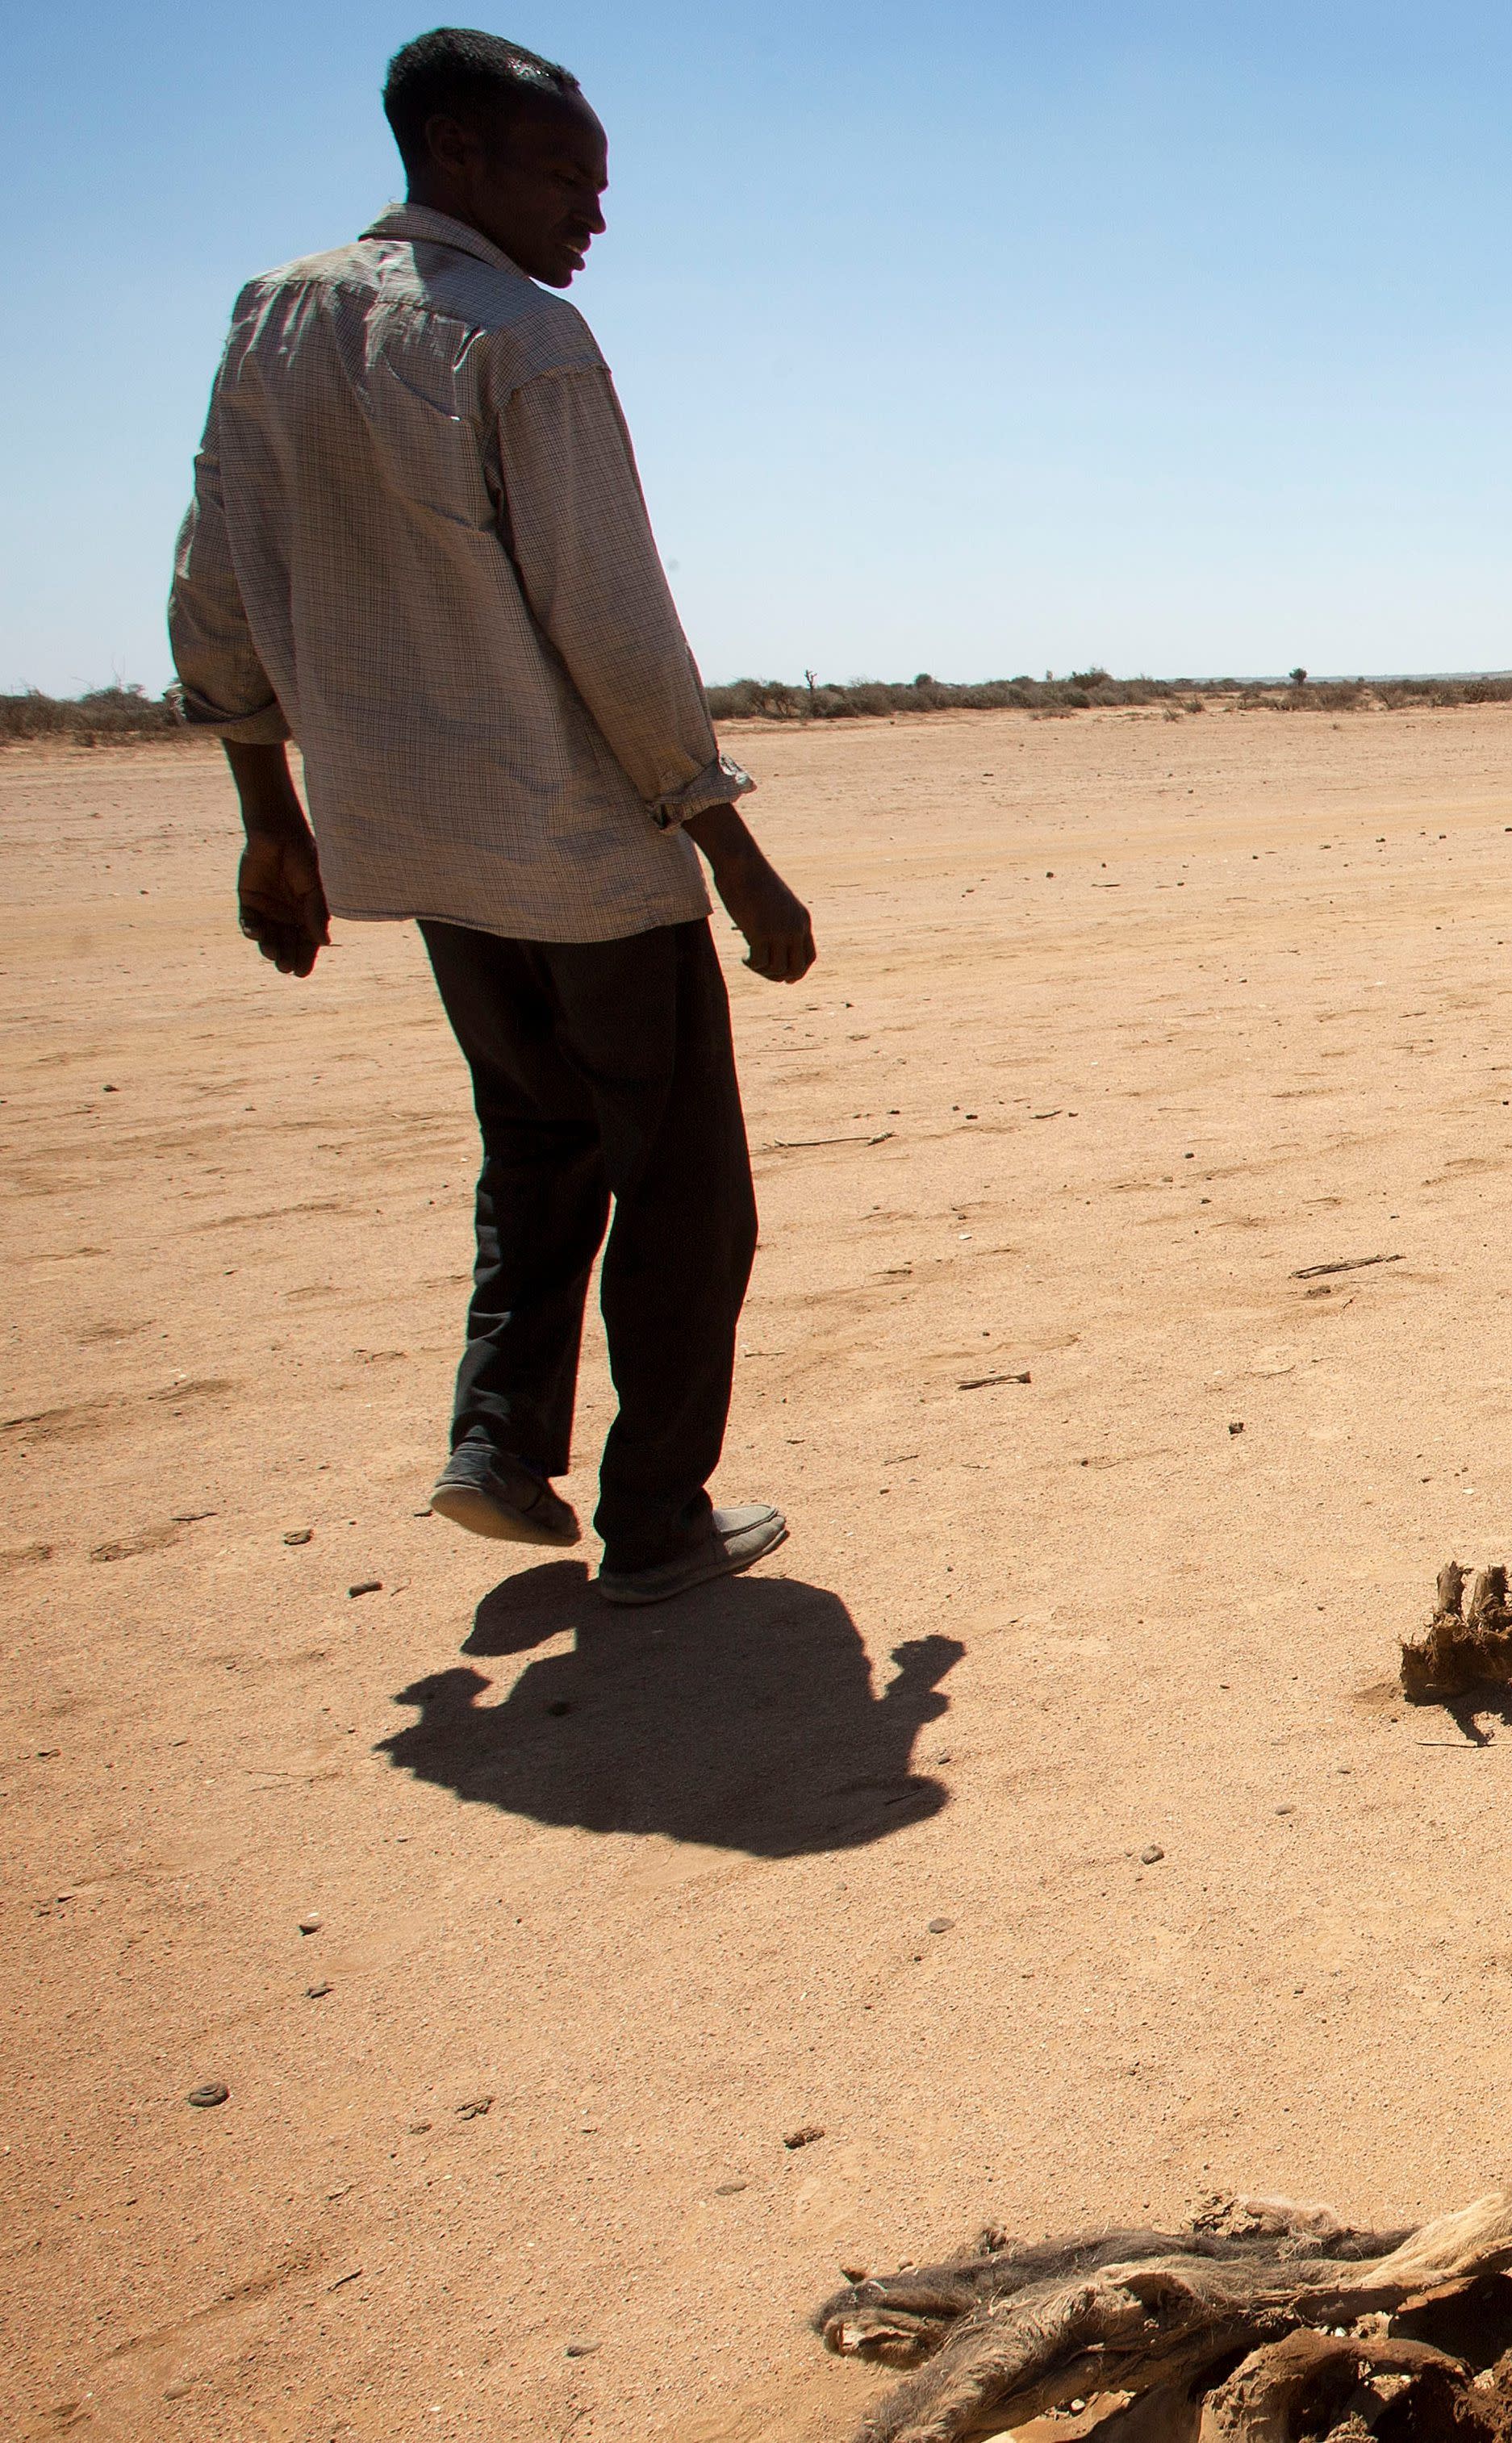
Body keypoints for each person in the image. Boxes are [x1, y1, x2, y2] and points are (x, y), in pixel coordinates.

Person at [171, 27, 812, 1606]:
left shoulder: (274, 320)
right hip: (583, 857)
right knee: (680, 1190)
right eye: (562, 179)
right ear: (452, 152)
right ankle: (656, 1517)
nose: (591, 217)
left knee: (535, 1140)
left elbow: (214, 572)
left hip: (417, 843)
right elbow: (613, 618)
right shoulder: (521, 338)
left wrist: (273, 812)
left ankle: (498, 1441)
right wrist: (729, 851)